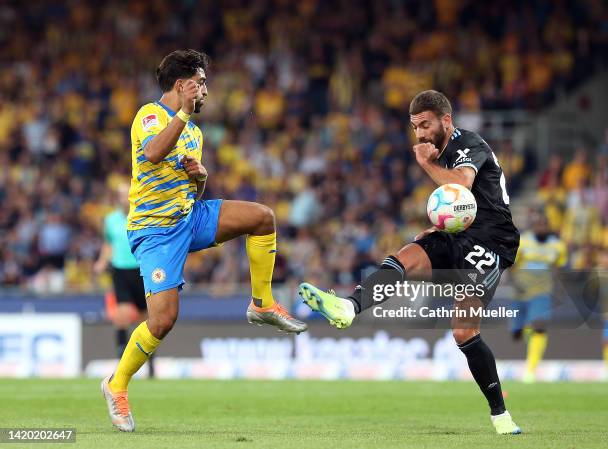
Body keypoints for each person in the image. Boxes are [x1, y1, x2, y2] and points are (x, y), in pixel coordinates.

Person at [101, 49, 307, 432]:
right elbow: (153, 152)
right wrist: (182, 114)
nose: (206, 92)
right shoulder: (151, 116)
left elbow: (192, 191)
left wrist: (200, 177)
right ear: (182, 85)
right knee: (163, 320)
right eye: (200, 83)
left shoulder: (193, 132)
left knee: (262, 217)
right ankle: (116, 385)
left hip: (188, 217)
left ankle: (261, 303)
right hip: (155, 230)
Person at [299, 90, 522, 434]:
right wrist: (439, 225)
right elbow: (463, 204)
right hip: (458, 233)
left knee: (463, 331)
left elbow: (462, 186)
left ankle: (500, 416)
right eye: (414, 126)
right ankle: (348, 307)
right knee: (403, 258)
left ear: (446, 121)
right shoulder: (441, 147)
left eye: (425, 125)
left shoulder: (468, 144)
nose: (419, 134)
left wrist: (426, 163)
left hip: (492, 241)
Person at [94, 181, 154, 378]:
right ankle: (121, 362)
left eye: (125, 194)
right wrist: (102, 262)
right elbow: (109, 243)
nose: (123, 198)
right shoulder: (111, 220)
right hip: (120, 270)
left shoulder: (143, 216)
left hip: (140, 269)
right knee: (121, 316)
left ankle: (151, 365)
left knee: (149, 318)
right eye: (120, 194)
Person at [508, 206, 567, 383]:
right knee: (516, 332)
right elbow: (512, 265)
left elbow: (558, 266)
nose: (541, 228)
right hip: (521, 291)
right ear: (532, 227)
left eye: (544, 225)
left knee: (539, 325)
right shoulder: (523, 243)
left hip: (542, 291)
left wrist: (554, 283)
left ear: (548, 226)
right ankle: (521, 329)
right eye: (537, 225)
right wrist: (514, 282)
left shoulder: (558, 246)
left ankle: (530, 370)